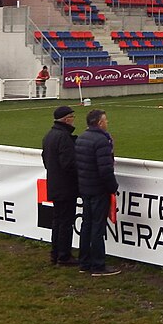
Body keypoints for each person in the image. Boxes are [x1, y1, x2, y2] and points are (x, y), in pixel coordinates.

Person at [73, 108, 120, 276]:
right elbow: (105, 170)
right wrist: (113, 187)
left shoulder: (81, 138)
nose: (107, 123)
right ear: (99, 123)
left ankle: (84, 261)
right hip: (98, 189)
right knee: (97, 227)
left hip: (85, 187)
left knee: (86, 225)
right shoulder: (101, 141)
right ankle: (98, 264)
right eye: (106, 120)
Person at [42, 105, 81, 267]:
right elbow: (69, 164)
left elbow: (46, 160)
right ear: (66, 119)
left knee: (57, 221)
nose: (73, 120)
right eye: (72, 117)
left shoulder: (49, 136)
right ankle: (64, 255)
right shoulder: (63, 138)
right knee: (65, 221)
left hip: (54, 184)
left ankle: (56, 253)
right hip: (66, 187)